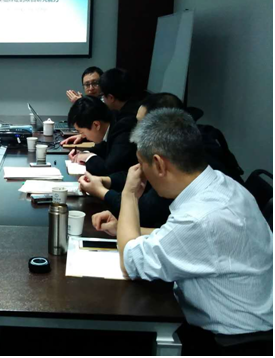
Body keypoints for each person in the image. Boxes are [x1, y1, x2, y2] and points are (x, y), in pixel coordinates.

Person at [93, 108, 273, 353]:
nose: (139, 170)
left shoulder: (199, 219)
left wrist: (129, 195)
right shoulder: (222, 184)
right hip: (253, 322)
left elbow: (129, 261)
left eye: (141, 163)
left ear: (159, 164)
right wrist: (129, 229)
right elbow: (192, 240)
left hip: (227, 342)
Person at [80, 93, 244, 228]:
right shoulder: (189, 146)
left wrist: (107, 193)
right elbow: (139, 174)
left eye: (141, 124)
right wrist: (107, 181)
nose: (135, 129)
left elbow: (145, 216)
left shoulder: (181, 166)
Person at [67, 96, 137, 176]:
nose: (82, 136)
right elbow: (104, 147)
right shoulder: (112, 123)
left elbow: (109, 169)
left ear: (96, 125)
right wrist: (84, 153)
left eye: (82, 132)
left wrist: (88, 157)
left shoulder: (123, 130)